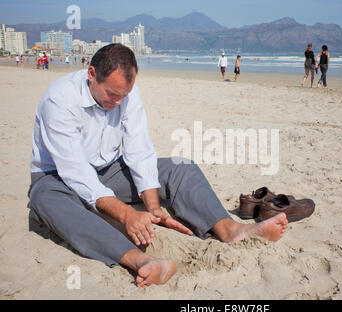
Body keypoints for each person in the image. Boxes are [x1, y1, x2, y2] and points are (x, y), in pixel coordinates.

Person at [27, 44, 288, 288]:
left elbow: (139, 151)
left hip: (109, 171)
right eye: (111, 94)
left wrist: (153, 209)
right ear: (92, 74)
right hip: (56, 178)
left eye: (124, 96)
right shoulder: (59, 99)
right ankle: (139, 260)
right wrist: (128, 216)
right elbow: (76, 172)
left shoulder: (128, 95)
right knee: (46, 200)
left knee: (180, 167)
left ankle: (230, 230)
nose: (118, 102)